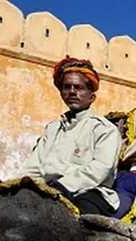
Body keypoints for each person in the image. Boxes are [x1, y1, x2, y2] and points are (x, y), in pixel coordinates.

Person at [23, 57, 122, 215]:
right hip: (47, 192)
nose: (72, 92)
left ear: (91, 96)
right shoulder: (52, 129)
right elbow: (33, 167)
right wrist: (19, 186)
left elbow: (100, 169)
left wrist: (62, 187)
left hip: (88, 192)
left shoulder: (104, 129)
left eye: (79, 87)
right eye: (67, 87)